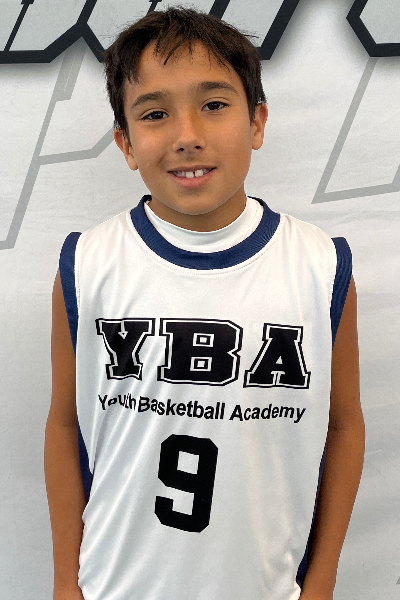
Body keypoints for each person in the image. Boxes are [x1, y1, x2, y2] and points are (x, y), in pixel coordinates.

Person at [44, 7, 365, 600]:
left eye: (214, 105)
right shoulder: (87, 264)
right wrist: (67, 581)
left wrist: (320, 582)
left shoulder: (320, 266)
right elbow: (65, 424)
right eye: (155, 114)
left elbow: (344, 425)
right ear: (126, 143)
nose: (187, 134)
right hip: (115, 586)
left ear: (257, 121)